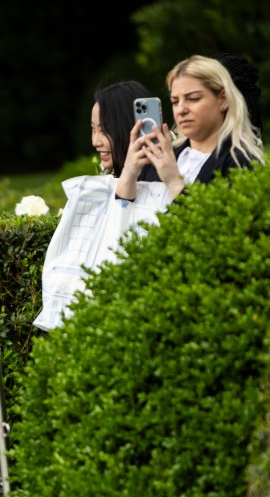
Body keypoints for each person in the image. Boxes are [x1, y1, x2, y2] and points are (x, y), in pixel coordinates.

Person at [33, 80, 173, 331]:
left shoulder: (157, 179)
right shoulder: (118, 179)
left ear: (128, 127)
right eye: (93, 129)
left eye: (104, 130)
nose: (95, 141)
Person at [118, 54, 264, 201]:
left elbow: (217, 216)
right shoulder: (161, 158)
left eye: (193, 98)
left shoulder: (242, 163)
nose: (181, 110)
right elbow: (125, 212)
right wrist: (129, 172)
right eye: (175, 102)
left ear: (223, 100)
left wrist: (174, 182)